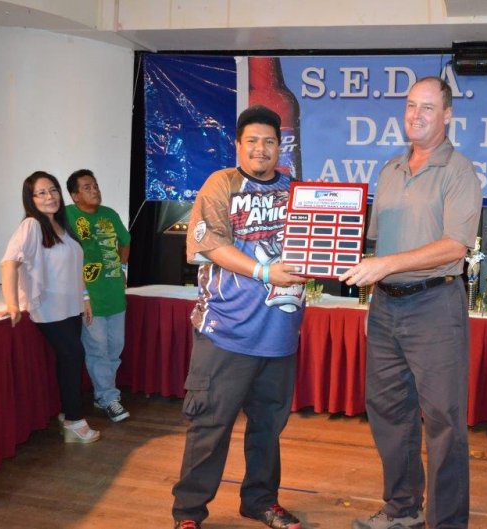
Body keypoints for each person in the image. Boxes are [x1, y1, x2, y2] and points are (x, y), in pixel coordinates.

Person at [340, 77, 483, 529]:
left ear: (447, 116)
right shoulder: (390, 169)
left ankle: (447, 523)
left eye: (427, 107)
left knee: (443, 419)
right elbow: (375, 244)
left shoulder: (459, 170)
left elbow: (455, 246)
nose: (415, 115)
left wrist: (386, 265)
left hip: (435, 306)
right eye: (410, 106)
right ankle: (403, 508)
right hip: (386, 308)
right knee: (388, 410)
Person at [172, 105, 307, 529]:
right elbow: (210, 245)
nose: (261, 149)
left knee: (268, 428)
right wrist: (265, 271)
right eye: (252, 141)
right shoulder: (221, 184)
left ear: (280, 146)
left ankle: (260, 501)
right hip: (225, 332)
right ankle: (189, 512)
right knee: (209, 426)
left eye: (269, 141)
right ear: (238, 145)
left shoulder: (295, 189)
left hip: (279, 333)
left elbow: (315, 242)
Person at [0, 171, 101, 444]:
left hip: (71, 307)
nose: (50, 196)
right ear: (30, 199)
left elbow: (74, 267)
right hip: (48, 307)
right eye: (41, 193)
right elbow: (9, 262)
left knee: (69, 360)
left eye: (53, 190)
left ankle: (68, 412)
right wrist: (12, 304)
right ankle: (74, 421)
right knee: (74, 355)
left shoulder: (63, 226)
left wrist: (85, 298)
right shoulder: (31, 225)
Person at [66, 169, 131, 423]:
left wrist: (122, 268)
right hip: (89, 297)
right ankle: (108, 397)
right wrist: (81, 294)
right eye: (87, 187)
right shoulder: (68, 216)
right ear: (75, 196)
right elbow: (65, 256)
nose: (94, 190)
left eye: (95, 185)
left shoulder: (109, 214)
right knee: (97, 350)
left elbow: (125, 241)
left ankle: (103, 394)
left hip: (114, 293)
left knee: (115, 348)